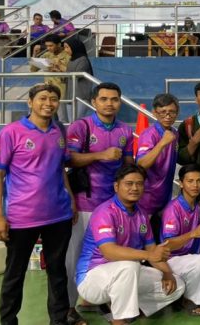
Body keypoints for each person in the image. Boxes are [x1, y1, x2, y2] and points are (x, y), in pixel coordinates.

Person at [0, 84, 76, 325]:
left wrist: (71, 198)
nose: (48, 103)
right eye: (42, 98)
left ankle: (58, 321)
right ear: (30, 102)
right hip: (22, 218)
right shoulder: (11, 132)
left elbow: (60, 167)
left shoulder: (59, 131)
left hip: (58, 215)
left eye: (53, 99)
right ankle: (8, 321)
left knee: (57, 272)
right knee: (15, 274)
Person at [76, 164, 185, 325]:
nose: (135, 188)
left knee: (177, 285)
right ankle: (119, 320)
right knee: (130, 265)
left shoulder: (141, 215)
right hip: (92, 278)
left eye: (139, 184)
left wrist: (167, 273)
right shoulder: (105, 212)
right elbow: (109, 251)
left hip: (124, 274)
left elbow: (152, 251)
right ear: (116, 186)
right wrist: (149, 255)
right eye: (129, 183)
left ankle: (123, 306)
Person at [64, 82, 134, 320]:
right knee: (74, 257)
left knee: (108, 255)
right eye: (103, 99)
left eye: (114, 99)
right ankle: (69, 308)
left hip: (113, 206)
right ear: (93, 102)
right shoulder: (81, 126)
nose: (109, 103)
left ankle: (97, 300)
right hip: (85, 202)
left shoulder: (125, 131)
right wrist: (101, 155)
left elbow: (128, 166)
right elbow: (69, 159)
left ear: (120, 102)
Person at [160, 165, 200, 317]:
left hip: (193, 263)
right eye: (190, 181)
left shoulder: (196, 206)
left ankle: (182, 292)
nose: (195, 185)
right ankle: (191, 300)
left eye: (199, 181)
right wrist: (192, 234)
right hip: (173, 261)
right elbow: (168, 245)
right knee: (199, 261)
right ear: (181, 183)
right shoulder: (173, 209)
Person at [136, 93, 179, 224]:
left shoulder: (174, 133)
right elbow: (141, 164)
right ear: (154, 112)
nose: (168, 116)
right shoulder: (149, 134)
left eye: (172, 112)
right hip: (146, 198)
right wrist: (162, 143)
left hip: (164, 196)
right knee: (143, 234)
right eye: (163, 112)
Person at [30, 33, 70, 121]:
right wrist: (35, 54)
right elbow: (33, 69)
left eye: (51, 46)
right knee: (49, 118)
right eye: (47, 46)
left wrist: (59, 68)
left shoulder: (67, 56)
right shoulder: (47, 55)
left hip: (62, 91)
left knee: (62, 118)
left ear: (59, 44)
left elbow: (70, 72)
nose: (48, 48)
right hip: (48, 90)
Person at [63, 37, 93, 120]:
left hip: (81, 97)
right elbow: (67, 77)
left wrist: (63, 69)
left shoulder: (83, 60)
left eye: (67, 47)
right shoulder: (71, 60)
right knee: (71, 122)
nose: (65, 50)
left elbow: (78, 75)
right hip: (70, 96)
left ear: (74, 47)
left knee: (77, 120)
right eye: (64, 47)